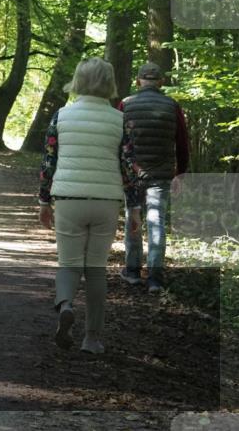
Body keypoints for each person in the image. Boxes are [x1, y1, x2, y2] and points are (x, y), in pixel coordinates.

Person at [38, 57, 141, 355]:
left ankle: (67, 305)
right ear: (109, 83)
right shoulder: (120, 120)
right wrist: (134, 209)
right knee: (96, 270)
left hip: (69, 200)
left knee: (68, 263)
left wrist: (44, 200)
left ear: (78, 81)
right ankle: (92, 339)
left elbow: (49, 161)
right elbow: (128, 168)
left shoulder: (61, 116)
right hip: (106, 201)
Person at [118, 62, 190, 294]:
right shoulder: (172, 106)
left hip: (132, 174)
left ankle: (132, 272)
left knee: (133, 218)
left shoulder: (125, 105)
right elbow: (182, 142)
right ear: (161, 82)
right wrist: (181, 173)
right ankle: (155, 279)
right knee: (156, 221)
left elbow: (118, 142)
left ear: (138, 81)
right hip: (162, 174)